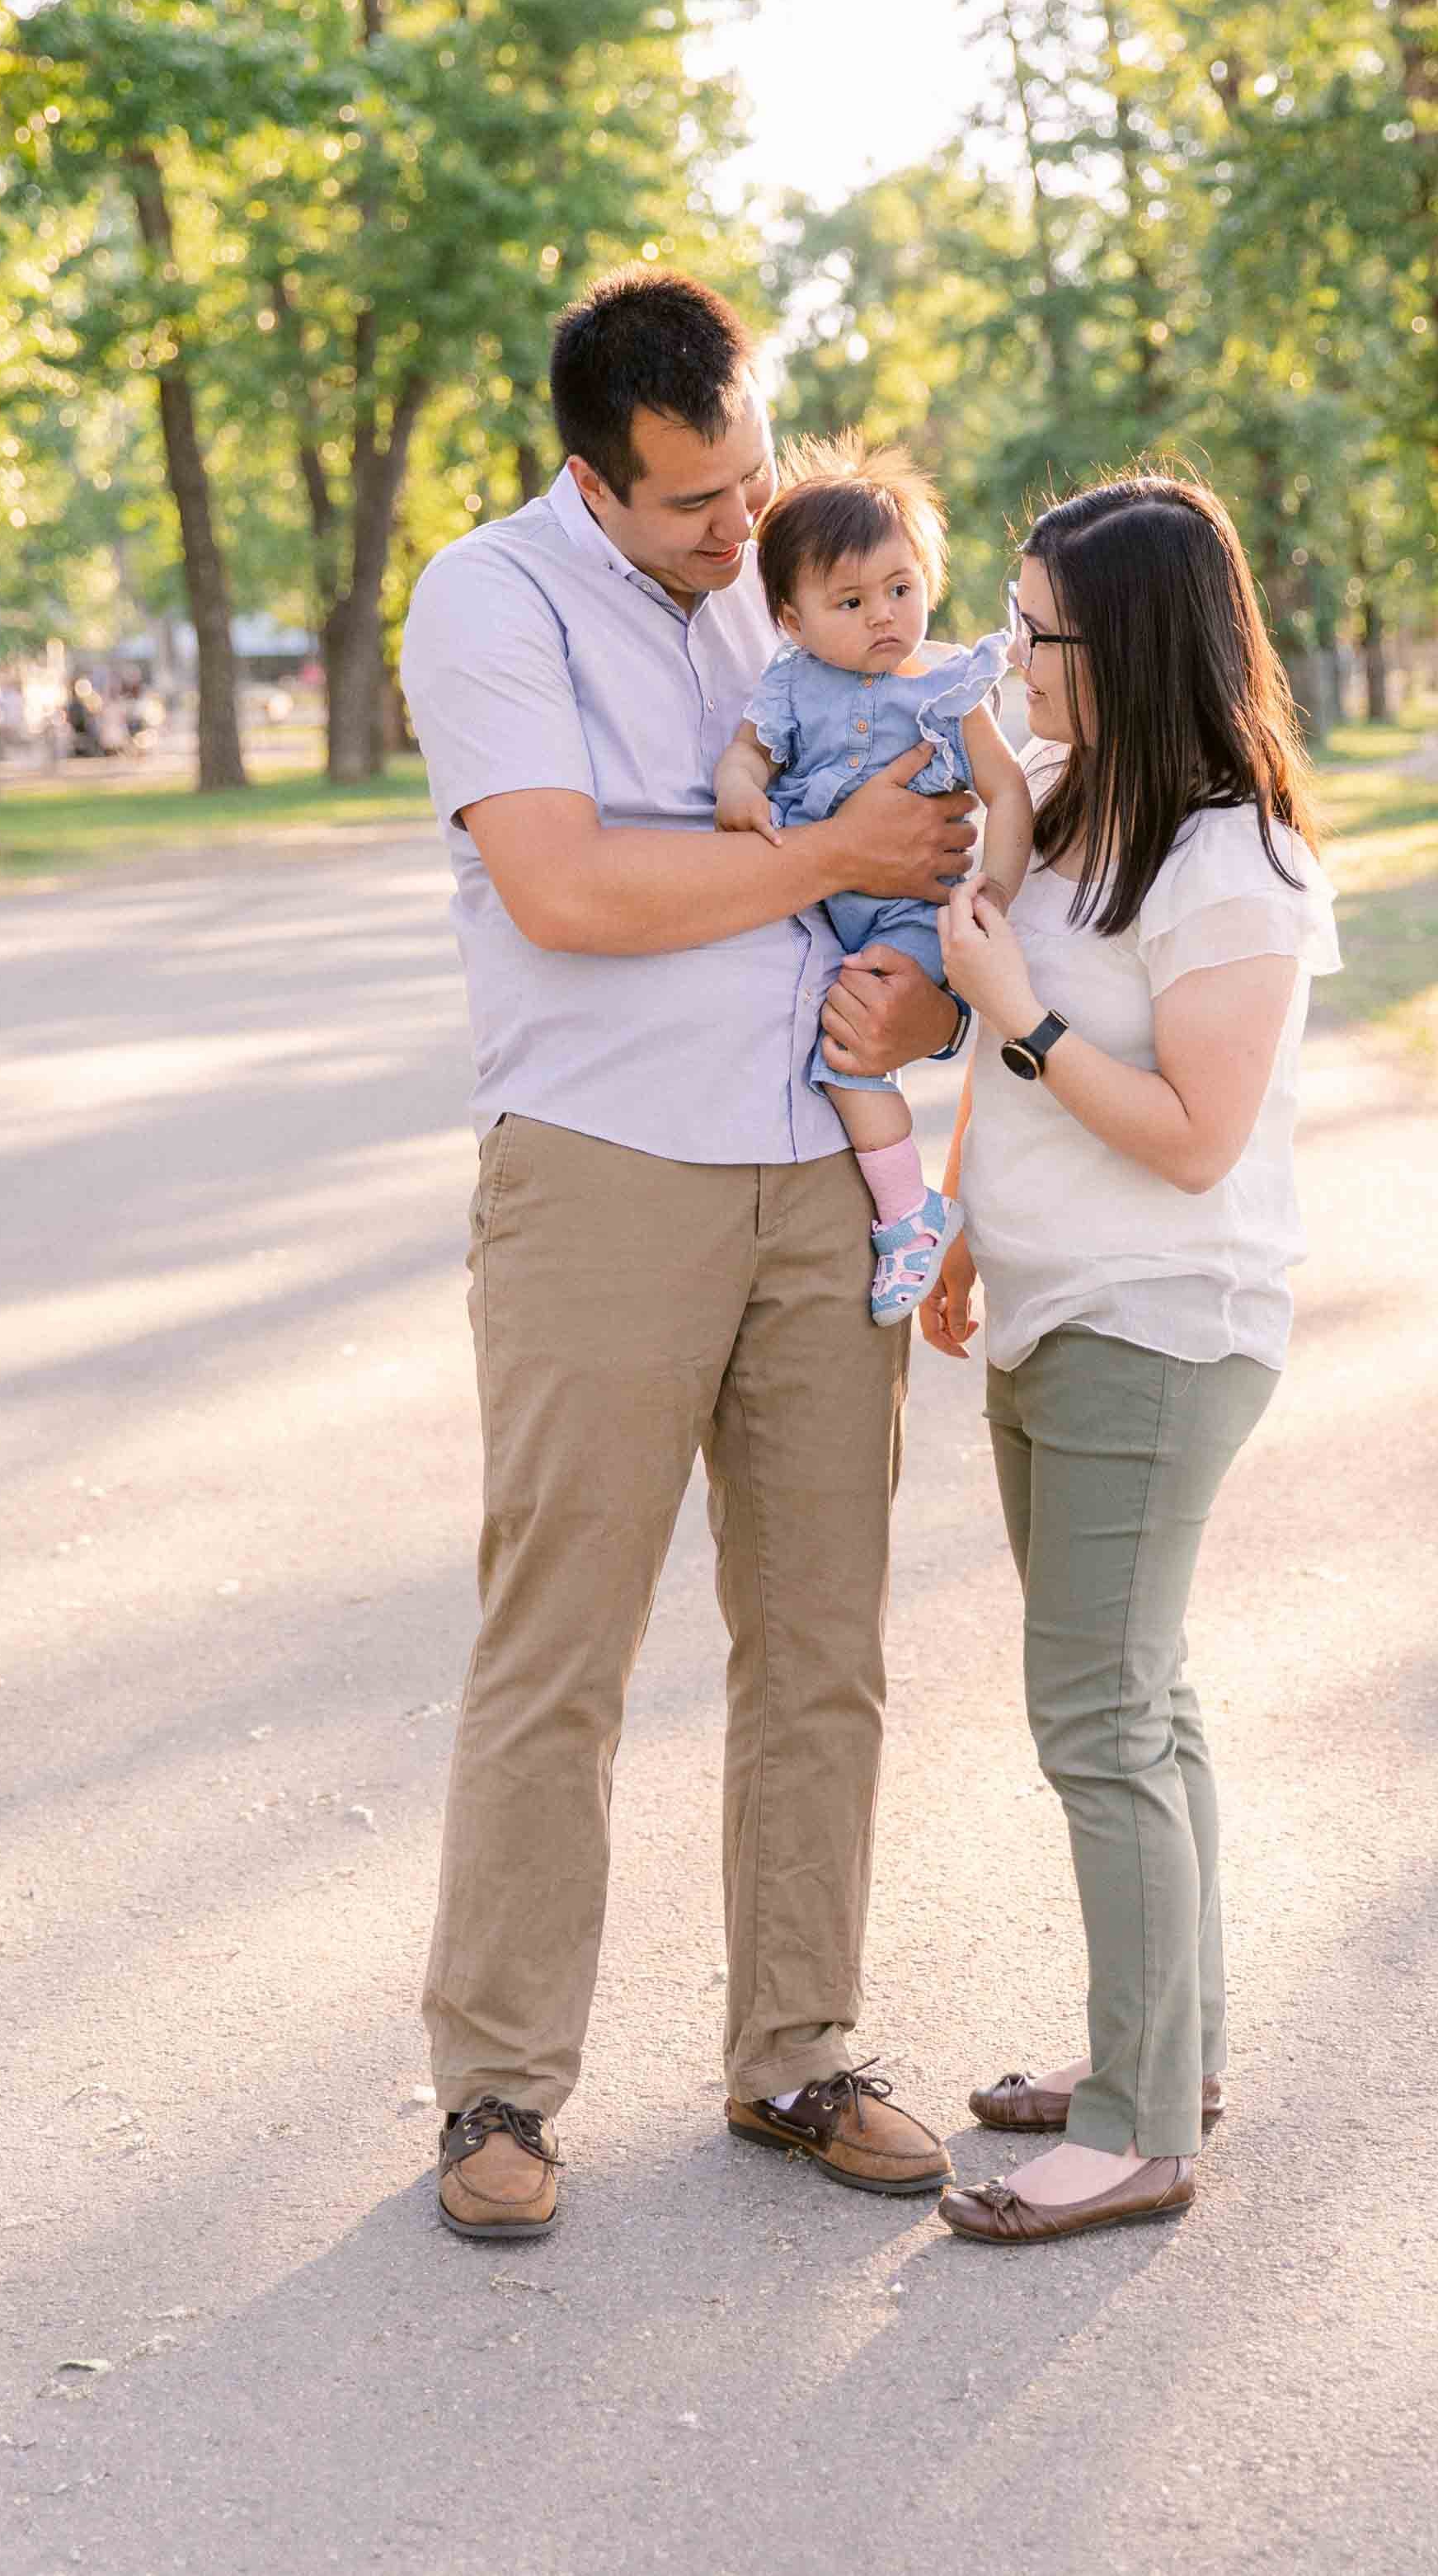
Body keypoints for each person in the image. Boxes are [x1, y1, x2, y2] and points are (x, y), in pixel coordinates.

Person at [398, 270, 970, 2245]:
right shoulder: (490, 600)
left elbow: (947, 844)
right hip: (604, 1170)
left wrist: (924, 1011)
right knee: (557, 1638)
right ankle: (497, 2082)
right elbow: (564, 884)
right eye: (693, 507)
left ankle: (796, 2048)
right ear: (592, 476)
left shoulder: (800, 573)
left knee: (826, 1634)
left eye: (754, 484)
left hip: (822, 1165)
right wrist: (833, 861)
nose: (742, 534)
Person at [917, 472, 1341, 2249]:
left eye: (1033, 631)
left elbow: (1187, 1136)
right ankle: (1168, 2051)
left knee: (1095, 1721)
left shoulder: (1230, 859)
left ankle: (1137, 2126)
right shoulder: (1091, 815)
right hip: (1052, 1307)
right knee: (1143, 1707)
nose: (1005, 650)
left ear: (1129, 646)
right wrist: (957, 1219)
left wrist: (1013, 1035)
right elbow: (1018, 980)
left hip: (1156, 1331)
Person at [715, 435, 1034, 1324]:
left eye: (901, 587)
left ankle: (907, 1218)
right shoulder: (788, 689)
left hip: (903, 915)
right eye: (849, 600)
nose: (884, 615)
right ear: (791, 617)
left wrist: (993, 895)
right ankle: (907, 1211)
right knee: (816, 1040)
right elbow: (743, 759)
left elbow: (1006, 792)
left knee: (849, 1062)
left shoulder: (942, 688)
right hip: (817, 914)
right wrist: (741, 794)